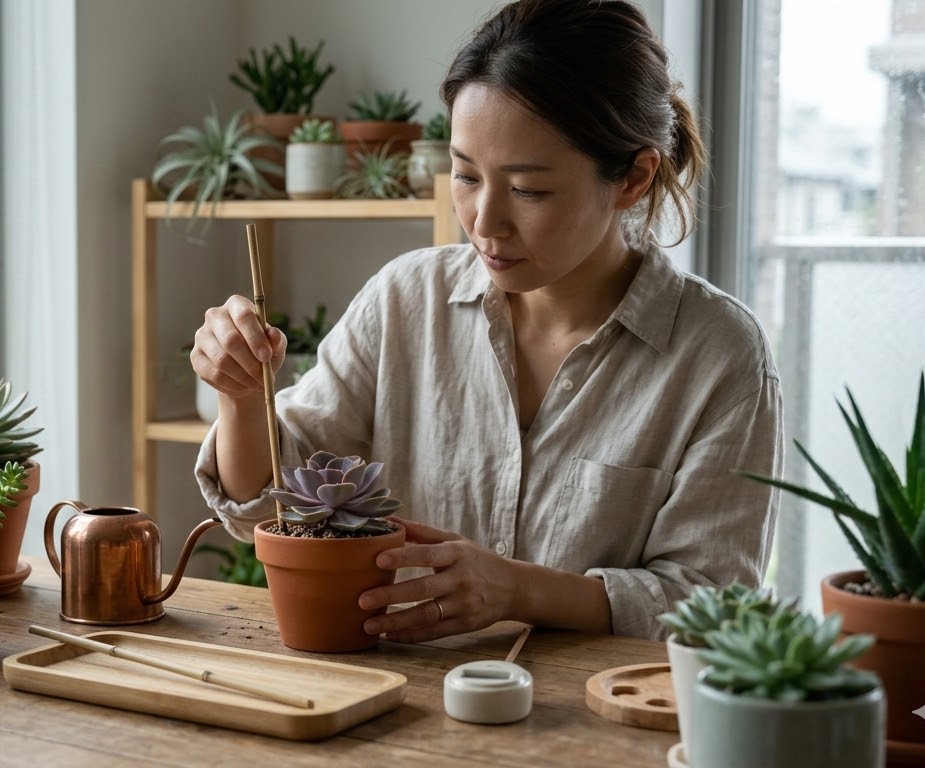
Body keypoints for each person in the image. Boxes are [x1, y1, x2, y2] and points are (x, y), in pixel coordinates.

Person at [189, 0, 782, 642]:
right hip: (398, 702)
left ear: (634, 178)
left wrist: (519, 589)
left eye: (528, 190)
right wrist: (242, 399)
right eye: (465, 175)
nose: (484, 221)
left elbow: (713, 605)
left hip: (595, 727)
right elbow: (266, 511)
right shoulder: (404, 299)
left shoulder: (719, 353)